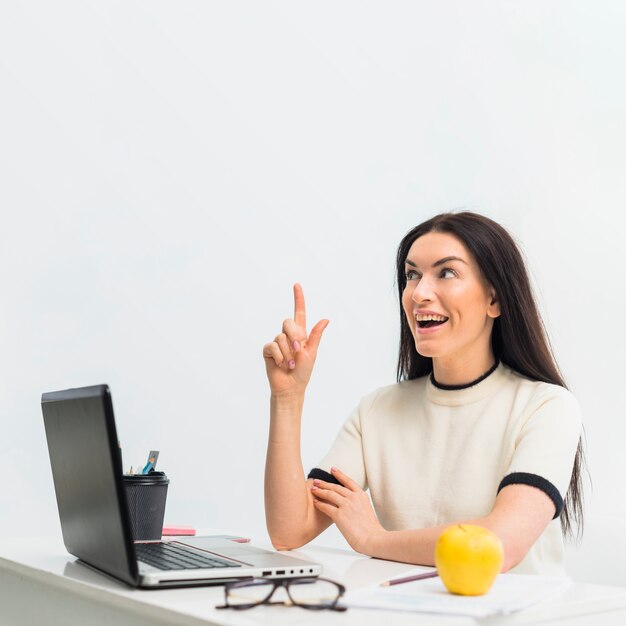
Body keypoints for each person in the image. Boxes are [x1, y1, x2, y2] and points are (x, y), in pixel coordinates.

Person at [262, 211, 584, 575]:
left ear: (494, 298)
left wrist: (374, 540)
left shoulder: (546, 407)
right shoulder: (377, 411)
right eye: (412, 274)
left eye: (446, 272)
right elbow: (289, 530)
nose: (419, 293)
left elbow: (497, 545)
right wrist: (287, 399)